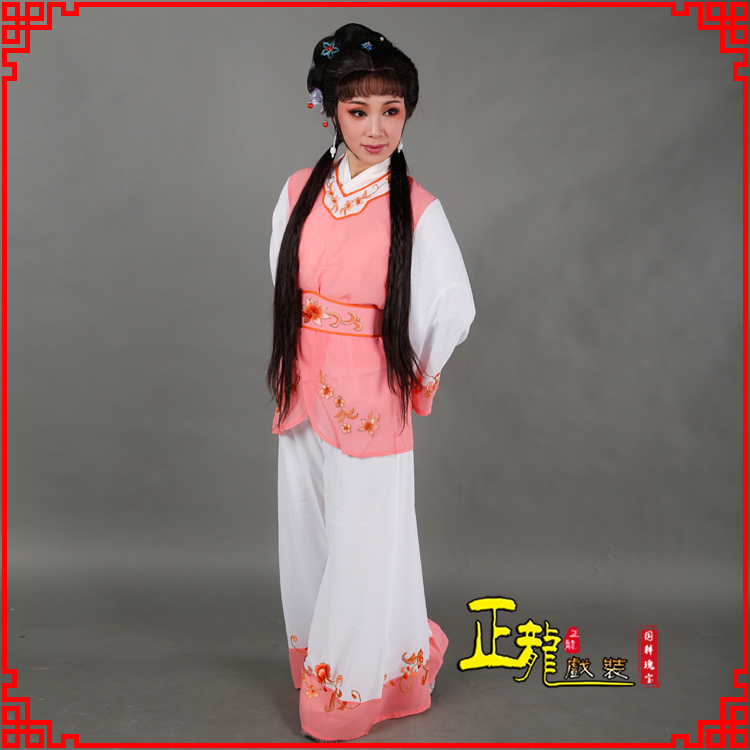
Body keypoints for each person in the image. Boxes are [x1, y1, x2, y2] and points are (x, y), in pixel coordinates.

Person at [267, 22, 475, 742]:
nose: (377, 128)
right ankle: (319, 660)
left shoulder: (416, 208)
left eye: (392, 110)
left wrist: (415, 375)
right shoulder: (298, 191)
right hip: (303, 379)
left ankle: (353, 686)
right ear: (330, 111)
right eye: (358, 111)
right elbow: (281, 277)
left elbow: (451, 306)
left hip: (369, 390)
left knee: (365, 538)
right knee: (305, 528)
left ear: (407, 113)